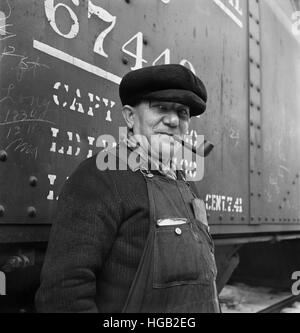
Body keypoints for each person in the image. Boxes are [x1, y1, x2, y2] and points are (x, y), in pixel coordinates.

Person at [35, 64, 220, 313]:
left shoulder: (186, 184)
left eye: (182, 112)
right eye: (161, 108)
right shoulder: (100, 178)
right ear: (130, 117)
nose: (174, 120)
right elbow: (63, 294)